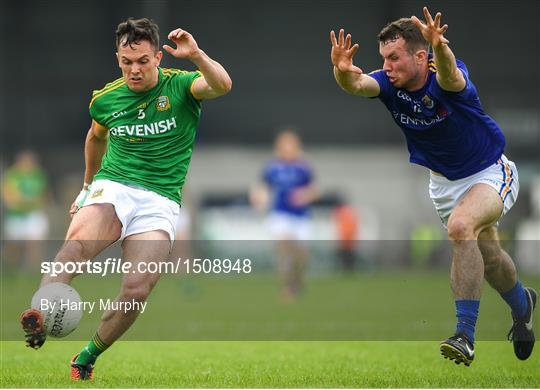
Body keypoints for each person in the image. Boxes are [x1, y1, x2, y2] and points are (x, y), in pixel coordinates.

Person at [20, 17, 231, 380]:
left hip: (160, 199)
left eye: (142, 61)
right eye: (126, 62)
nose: (134, 70)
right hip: (114, 184)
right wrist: (87, 187)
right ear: (118, 58)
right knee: (76, 246)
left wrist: (196, 55)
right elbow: (95, 138)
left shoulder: (181, 87)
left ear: (157, 59)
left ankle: (85, 357)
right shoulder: (105, 99)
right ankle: (39, 311)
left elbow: (223, 85)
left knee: (136, 291)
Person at [330, 6, 536, 366]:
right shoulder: (387, 84)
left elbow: (452, 74)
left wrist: (441, 46)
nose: (387, 65)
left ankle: (465, 336)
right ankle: (523, 307)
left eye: (394, 57)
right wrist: (341, 70)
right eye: (384, 59)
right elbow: (356, 84)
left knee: (462, 227)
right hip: (444, 186)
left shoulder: (444, 77)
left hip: (489, 173)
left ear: (421, 56)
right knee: (490, 258)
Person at [251, 130, 319, 301]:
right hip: (280, 214)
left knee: (302, 256)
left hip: (301, 216)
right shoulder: (273, 168)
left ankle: (296, 282)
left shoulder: (304, 167)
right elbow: (262, 188)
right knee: (284, 246)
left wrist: (304, 196)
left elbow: (314, 190)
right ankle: (287, 286)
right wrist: (259, 197)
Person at [2, 150, 49, 267]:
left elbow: (43, 195)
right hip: (16, 216)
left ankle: (33, 271)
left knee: (34, 244)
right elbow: (10, 197)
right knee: (14, 247)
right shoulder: (13, 175)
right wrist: (23, 201)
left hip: (33, 214)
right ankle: (10, 269)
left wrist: (29, 202)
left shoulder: (38, 175)